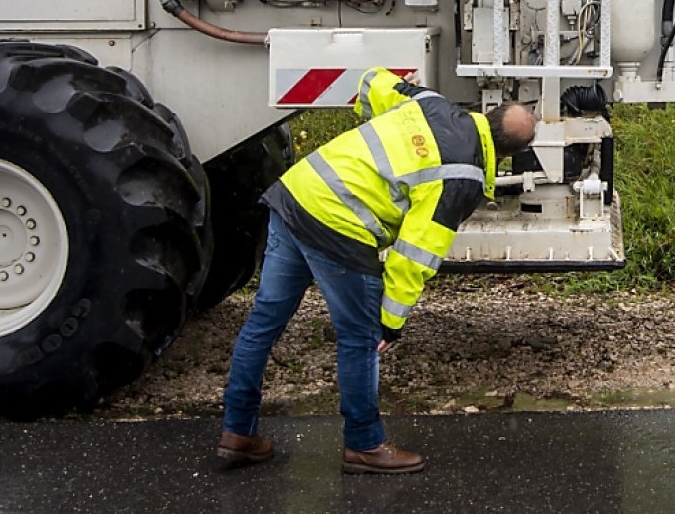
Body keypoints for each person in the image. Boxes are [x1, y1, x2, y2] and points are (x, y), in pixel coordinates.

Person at [215, 68, 537, 474]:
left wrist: (372, 115)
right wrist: (390, 322)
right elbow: (415, 255)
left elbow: (374, 80)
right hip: (338, 226)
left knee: (264, 321)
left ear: (489, 114)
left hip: (297, 191)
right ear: (509, 155)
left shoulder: (429, 102)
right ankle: (364, 444)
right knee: (360, 338)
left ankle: (237, 433)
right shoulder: (463, 177)